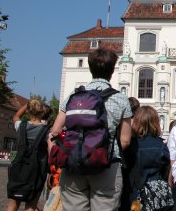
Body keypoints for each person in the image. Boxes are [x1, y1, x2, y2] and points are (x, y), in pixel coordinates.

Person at [50, 48, 132, 211]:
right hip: (106, 164)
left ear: (90, 68)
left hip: (74, 163)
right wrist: (100, 151)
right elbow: (125, 140)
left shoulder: (73, 96)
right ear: (112, 69)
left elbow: (55, 132)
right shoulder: (121, 99)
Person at [7, 98, 49, 211]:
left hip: (19, 168)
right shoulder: (47, 131)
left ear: (29, 111)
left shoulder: (20, 126)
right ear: (43, 112)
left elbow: (15, 117)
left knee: (13, 204)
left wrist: (27, 105)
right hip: (37, 170)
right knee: (31, 205)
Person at [126, 106, 171, 209]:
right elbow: (167, 170)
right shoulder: (161, 145)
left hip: (134, 194)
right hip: (155, 195)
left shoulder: (130, 145)